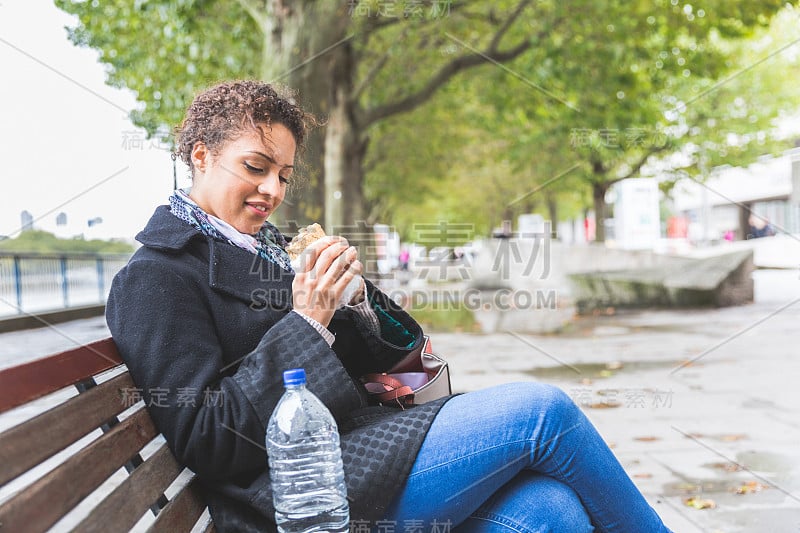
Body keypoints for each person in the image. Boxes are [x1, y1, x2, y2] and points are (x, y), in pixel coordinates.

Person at [107, 80, 672, 532]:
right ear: (201, 157)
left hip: (360, 446)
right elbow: (208, 437)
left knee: (550, 511)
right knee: (544, 412)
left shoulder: (268, 246)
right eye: (256, 168)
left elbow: (398, 362)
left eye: (283, 175)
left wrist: (355, 302)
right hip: (294, 494)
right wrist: (307, 321)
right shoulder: (156, 276)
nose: (274, 191)